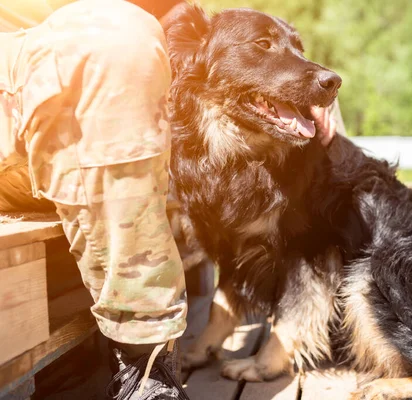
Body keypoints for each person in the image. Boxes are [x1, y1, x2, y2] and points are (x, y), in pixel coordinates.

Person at [0, 1, 339, 398]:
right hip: (39, 79)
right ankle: (145, 364)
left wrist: (300, 97)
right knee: (119, 36)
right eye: (265, 45)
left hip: (106, 97)